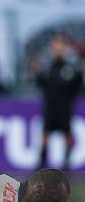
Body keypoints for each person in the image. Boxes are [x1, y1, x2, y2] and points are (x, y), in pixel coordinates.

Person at [34, 35, 82, 169]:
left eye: (61, 47)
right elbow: (40, 83)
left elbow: (77, 84)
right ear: (52, 49)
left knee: (68, 137)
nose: (58, 50)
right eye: (55, 47)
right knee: (45, 136)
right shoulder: (47, 68)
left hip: (64, 109)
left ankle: (66, 164)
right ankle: (40, 164)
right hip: (50, 108)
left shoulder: (70, 68)